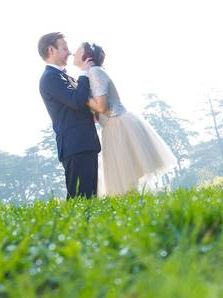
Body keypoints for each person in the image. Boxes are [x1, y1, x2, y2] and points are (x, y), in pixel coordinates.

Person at [73, 42, 177, 196]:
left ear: (86, 56)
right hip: (111, 127)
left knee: (128, 179)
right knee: (126, 181)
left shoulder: (94, 72)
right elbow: (97, 115)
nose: (72, 53)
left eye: (77, 50)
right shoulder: (91, 73)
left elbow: (101, 107)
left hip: (119, 125)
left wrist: (80, 95)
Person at [38, 32, 100, 199]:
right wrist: (85, 73)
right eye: (64, 48)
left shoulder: (64, 76)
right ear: (51, 50)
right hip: (75, 147)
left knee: (90, 199)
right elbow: (77, 101)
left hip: (85, 144)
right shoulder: (50, 78)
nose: (70, 52)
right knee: (80, 199)